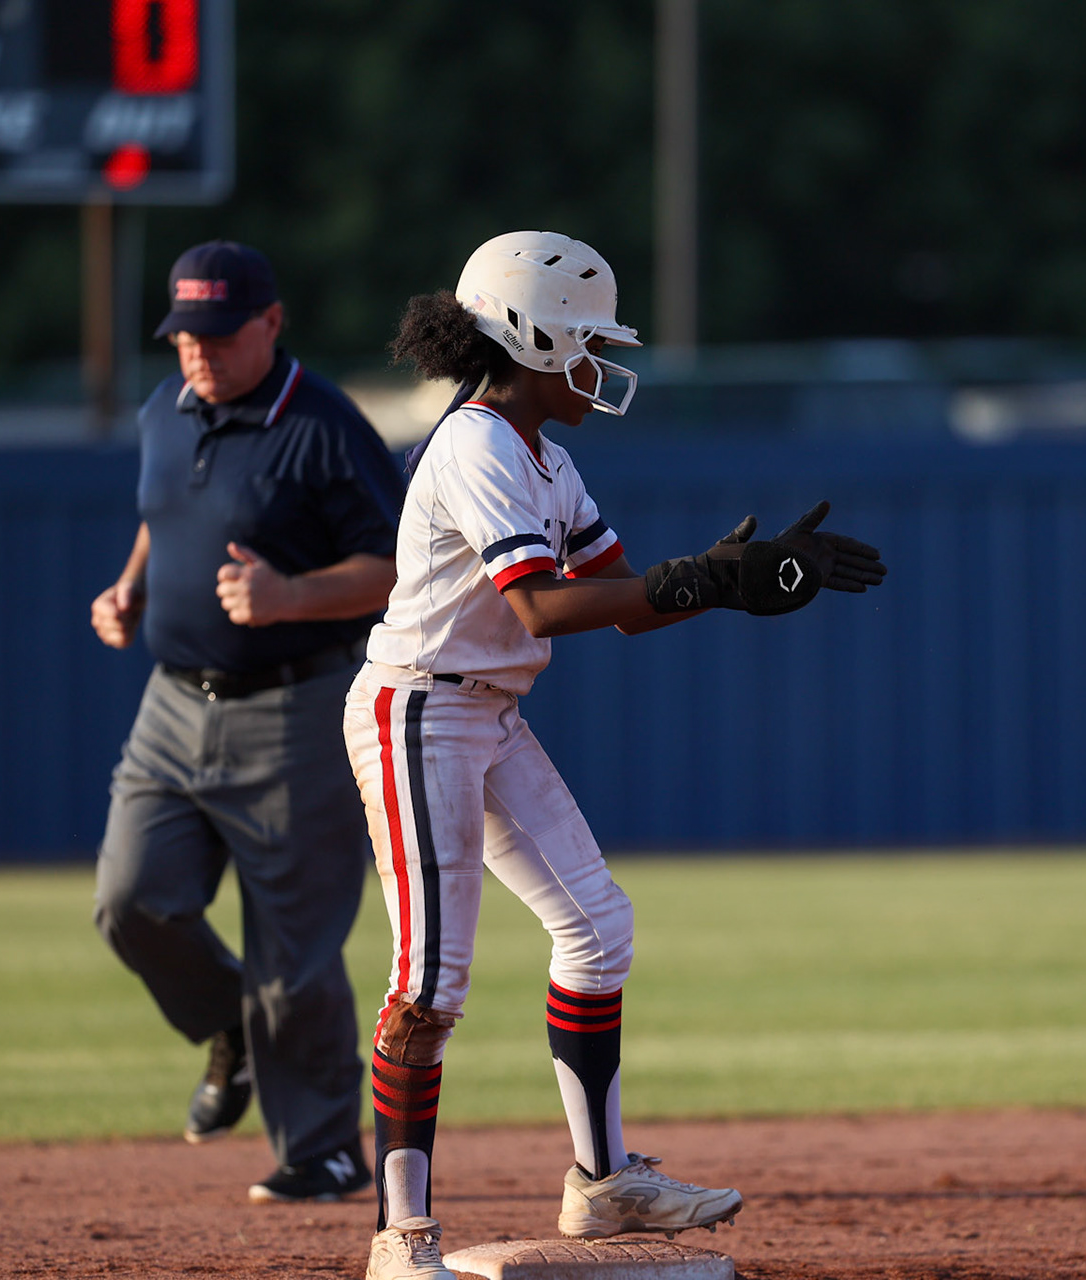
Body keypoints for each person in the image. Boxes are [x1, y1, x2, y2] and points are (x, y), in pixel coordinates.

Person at [341, 230, 888, 1280]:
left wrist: (733, 579)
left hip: (484, 710)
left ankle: (600, 1181)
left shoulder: (543, 449)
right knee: (430, 981)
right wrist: (704, 578)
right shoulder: (478, 443)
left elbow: (624, 601)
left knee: (596, 925)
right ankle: (400, 1234)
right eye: (585, 339)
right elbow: (543, 602)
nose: (597, 360)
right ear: (529, 335)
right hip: (418, 710)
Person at [89, 240, 406, 1204]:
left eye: (220, 333)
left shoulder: (323, 426)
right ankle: (229, 1027)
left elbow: (395, 568)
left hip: (296, 708)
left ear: (270, 323)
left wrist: (289, 593)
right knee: (131, 900)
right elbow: (161, 508)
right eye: (185, 332)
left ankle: (323, 1150)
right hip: (172, 705)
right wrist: (134, 585)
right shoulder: (164, 409)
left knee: (295, 956)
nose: (200, 351)